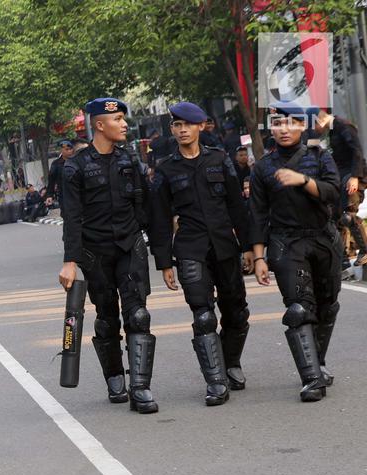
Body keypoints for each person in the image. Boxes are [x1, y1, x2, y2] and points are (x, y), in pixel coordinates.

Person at [57, 97, 158, 413]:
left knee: (138, 315)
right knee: (107, 319)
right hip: (95, 253)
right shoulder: (74, 168)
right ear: (100, 125)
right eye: (118, 120)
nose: (124, 124)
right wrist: (70, 262)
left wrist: (162, 251)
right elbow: (72, 217)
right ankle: (115, 377)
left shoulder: (130, 162)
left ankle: (140, 388)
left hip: (129, 248)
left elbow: (145, 206)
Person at [149, 102, 252, 406]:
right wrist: (164, 262)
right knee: (203, 315)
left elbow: (237, 206)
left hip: (225, 246)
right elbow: (159, 217)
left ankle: (230, 362)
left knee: (237, 312)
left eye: (186, 125)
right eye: (176, 125)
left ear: (200, 126)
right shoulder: (166, 169)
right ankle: (216, 381)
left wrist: (248, 247)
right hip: (190, 248)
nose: (181, 130)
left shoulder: (220, 160)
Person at [250, 102, 343, 402]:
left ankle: (318, 361)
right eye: (277, 124)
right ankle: (312, 378)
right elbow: (257, 214)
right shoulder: (263, 167)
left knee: (327, 306)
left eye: (290, 123)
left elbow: (332, 191)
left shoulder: (320, 157)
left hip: (323, 240)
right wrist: (259, 257)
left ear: (302, 126)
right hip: (286, 243)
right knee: (298, 309)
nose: (283, 129)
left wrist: (303, 181)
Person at [312, 109, 367, 264]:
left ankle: (365, 251)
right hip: (341, 176)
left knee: (348, 215)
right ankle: (341, 259)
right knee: (335, 217)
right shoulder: (332, 130)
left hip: (354, 175)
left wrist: (355, 177)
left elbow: (357, 151)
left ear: (320, 119)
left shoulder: (343, 126)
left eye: (314, 126)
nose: (315, 130)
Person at [45, 139, 74, 206]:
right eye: (66, 149)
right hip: (64, 196)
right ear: (61, 150)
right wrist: (49, 195)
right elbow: (51, 180)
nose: (69, 151)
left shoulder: (76, 161)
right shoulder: (56, 164)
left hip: (77, 194)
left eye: (70, 149)